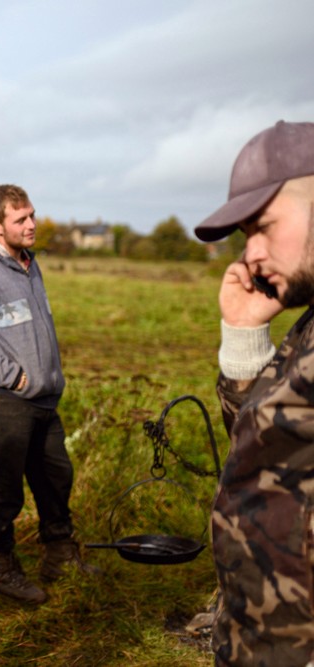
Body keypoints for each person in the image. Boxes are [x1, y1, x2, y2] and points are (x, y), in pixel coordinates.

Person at [193, 120, 314, 667]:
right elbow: (272, 447)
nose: (251, 255)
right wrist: (244, 336)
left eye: (263, 226)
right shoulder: (308, 324)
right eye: (246, 236)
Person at [0, 184, 96, 605]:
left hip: (43, 401)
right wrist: (15, 379)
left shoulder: (31, 265)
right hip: (3, 402)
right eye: (21, 219)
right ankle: (0, 567)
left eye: (32, 215)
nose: (32, 225)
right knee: (4, 488)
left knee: (56, 479)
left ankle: (60, 556)